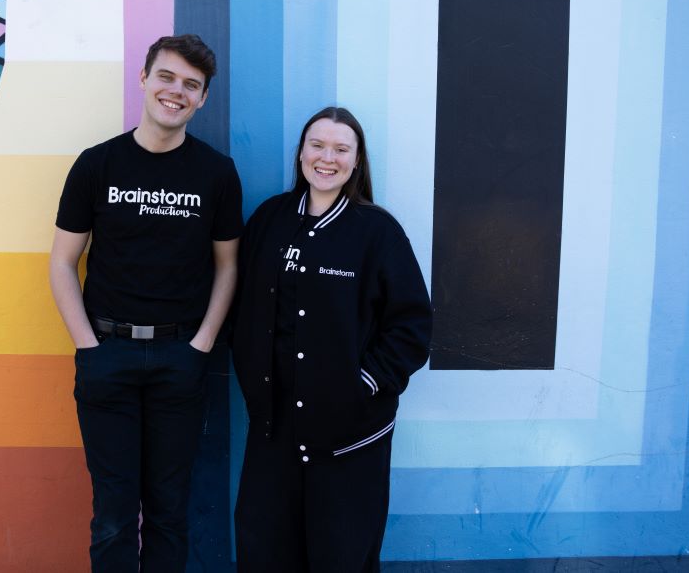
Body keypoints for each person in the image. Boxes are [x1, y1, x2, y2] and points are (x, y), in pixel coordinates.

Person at [49, 34, 243, 572]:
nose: (175, 92)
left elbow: (228, 267)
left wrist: (200, 345)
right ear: (143, 78)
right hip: (106, 355)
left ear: (202, 99)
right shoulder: (97, 165)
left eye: (191, 85)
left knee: (168, 512)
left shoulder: (216, 173)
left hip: (180, 361)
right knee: (112, 514)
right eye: (167, 76)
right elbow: (62, 261)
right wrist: (88, 347)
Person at [231, 106, 432, 572]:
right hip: (273, 430)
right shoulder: (269, 219)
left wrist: (360, 385)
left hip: (350, 435)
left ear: (356, 161)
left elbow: (412, 327)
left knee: (341, 556)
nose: (327, 158)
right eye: (317, 145)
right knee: (264, 553)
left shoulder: (377, 231)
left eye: (341, 149)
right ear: (301, 153)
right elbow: (241, 305)